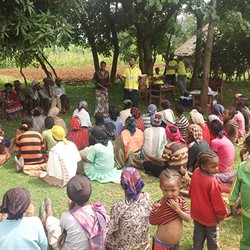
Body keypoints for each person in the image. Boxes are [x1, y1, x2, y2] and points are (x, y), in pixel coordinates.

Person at [41, 175, 106, 250]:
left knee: (52, 224)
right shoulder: (99, 211)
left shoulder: (67, 217)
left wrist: (72, 210)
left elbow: (63, 236)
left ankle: (48, 214)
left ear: (70, 196)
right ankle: (48, 213)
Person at [106, 168, 153, 250]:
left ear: (122, 184)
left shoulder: (119, 206)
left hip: (124, 247)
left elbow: (110, 229)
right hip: (143, 245)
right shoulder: (147, 197)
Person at [189, 150, 228, 250]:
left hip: (197, 214)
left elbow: (191, 191)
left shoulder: (196, 173)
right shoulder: (212, 181)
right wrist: (221, 215)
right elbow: (217, 202)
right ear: (203, 166)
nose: (217, 169)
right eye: (213, 166)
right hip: (209, 218)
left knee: (198, 238)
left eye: (217, 165)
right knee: (212, 240)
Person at [149, 170, 191, 249]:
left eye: (173, 190)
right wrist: (155, 211)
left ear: (180, 188)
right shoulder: (160, 204)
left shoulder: (181, 202)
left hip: (175, 245)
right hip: (161, 244)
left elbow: (188, 218)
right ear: (161, 188)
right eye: (165, 190)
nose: (169, 194)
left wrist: (177, 209)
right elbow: (152, 221)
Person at [229, 160, 250, 250]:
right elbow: (235, 187)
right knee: (247, 237)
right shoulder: (243, 167)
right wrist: (232, 203)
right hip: (247, 213)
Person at [210, 120, 236, 187]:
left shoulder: (215, 142)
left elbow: (212, 159)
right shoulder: (226, 139)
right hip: (229, 168)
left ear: (212, 131)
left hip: (222, 170)